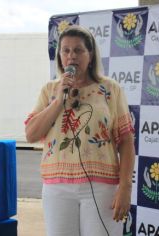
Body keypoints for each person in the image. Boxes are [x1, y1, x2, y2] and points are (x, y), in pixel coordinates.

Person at [25, 25, 135, 236]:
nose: (71, 56)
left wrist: (125, 187)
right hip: (57, 189)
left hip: (101, 187)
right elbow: (31, 134)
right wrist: (58, 100)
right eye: (65, 50)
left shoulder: (110, 89)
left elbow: (126, 141)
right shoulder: (50, 90)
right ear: (59, 56)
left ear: (90, 55)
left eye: (78, 50)